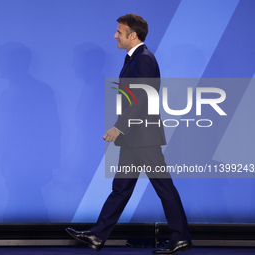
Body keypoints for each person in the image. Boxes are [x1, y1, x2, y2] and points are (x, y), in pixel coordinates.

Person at [66, 14, 191, 254]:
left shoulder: (144, 59)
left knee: (163, 187)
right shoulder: (134, 58)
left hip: (144, 138)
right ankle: (97, 235)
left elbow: (143, 97)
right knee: (121, 188)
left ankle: (181, 237)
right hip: (135, 139)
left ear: (132, 35)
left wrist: (118, 126)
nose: (115, 35)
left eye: (119, 31)